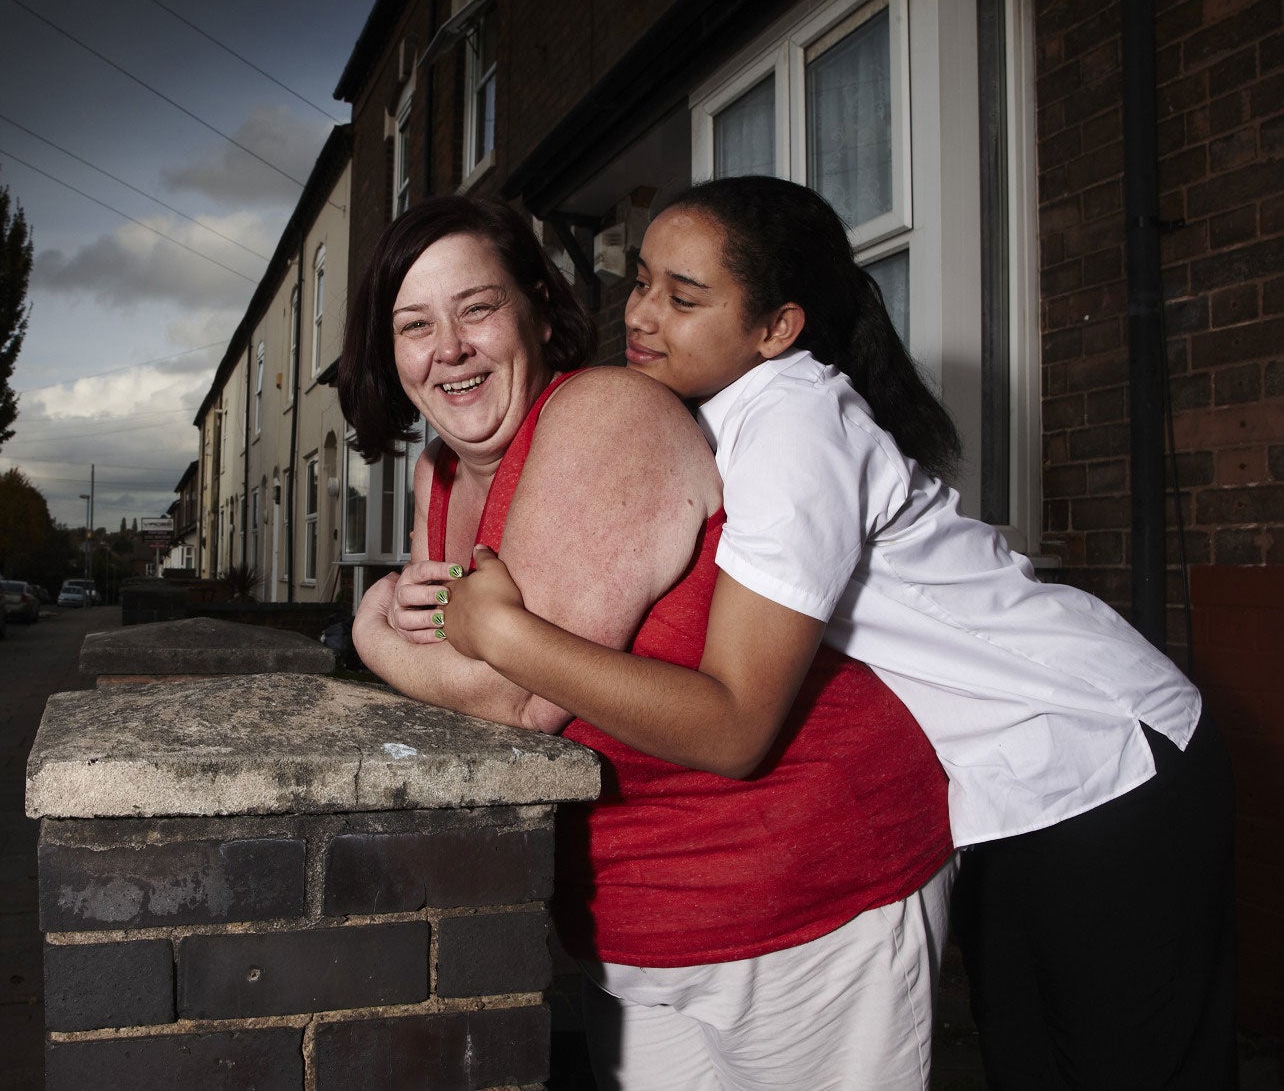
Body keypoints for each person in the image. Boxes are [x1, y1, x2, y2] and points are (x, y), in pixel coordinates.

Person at [438, 175, 1237, 1090]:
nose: (644, 314)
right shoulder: (719, 411)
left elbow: (734, 725)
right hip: (1012, 782)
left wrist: (505, 636)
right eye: (643, 281)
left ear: (777, 326)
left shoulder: (793, 421)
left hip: (1108, 752)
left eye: (685, 297)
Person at [341, 194, 955, 1090]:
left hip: (806, 887)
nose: (450, 349)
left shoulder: (607, 414)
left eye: (477, 308)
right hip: (635, 919)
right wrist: (418, 628)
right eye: (414, 324)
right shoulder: (440, 471)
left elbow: (514, 698)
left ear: (540, 310)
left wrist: (366, 627)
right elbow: (454, 669)